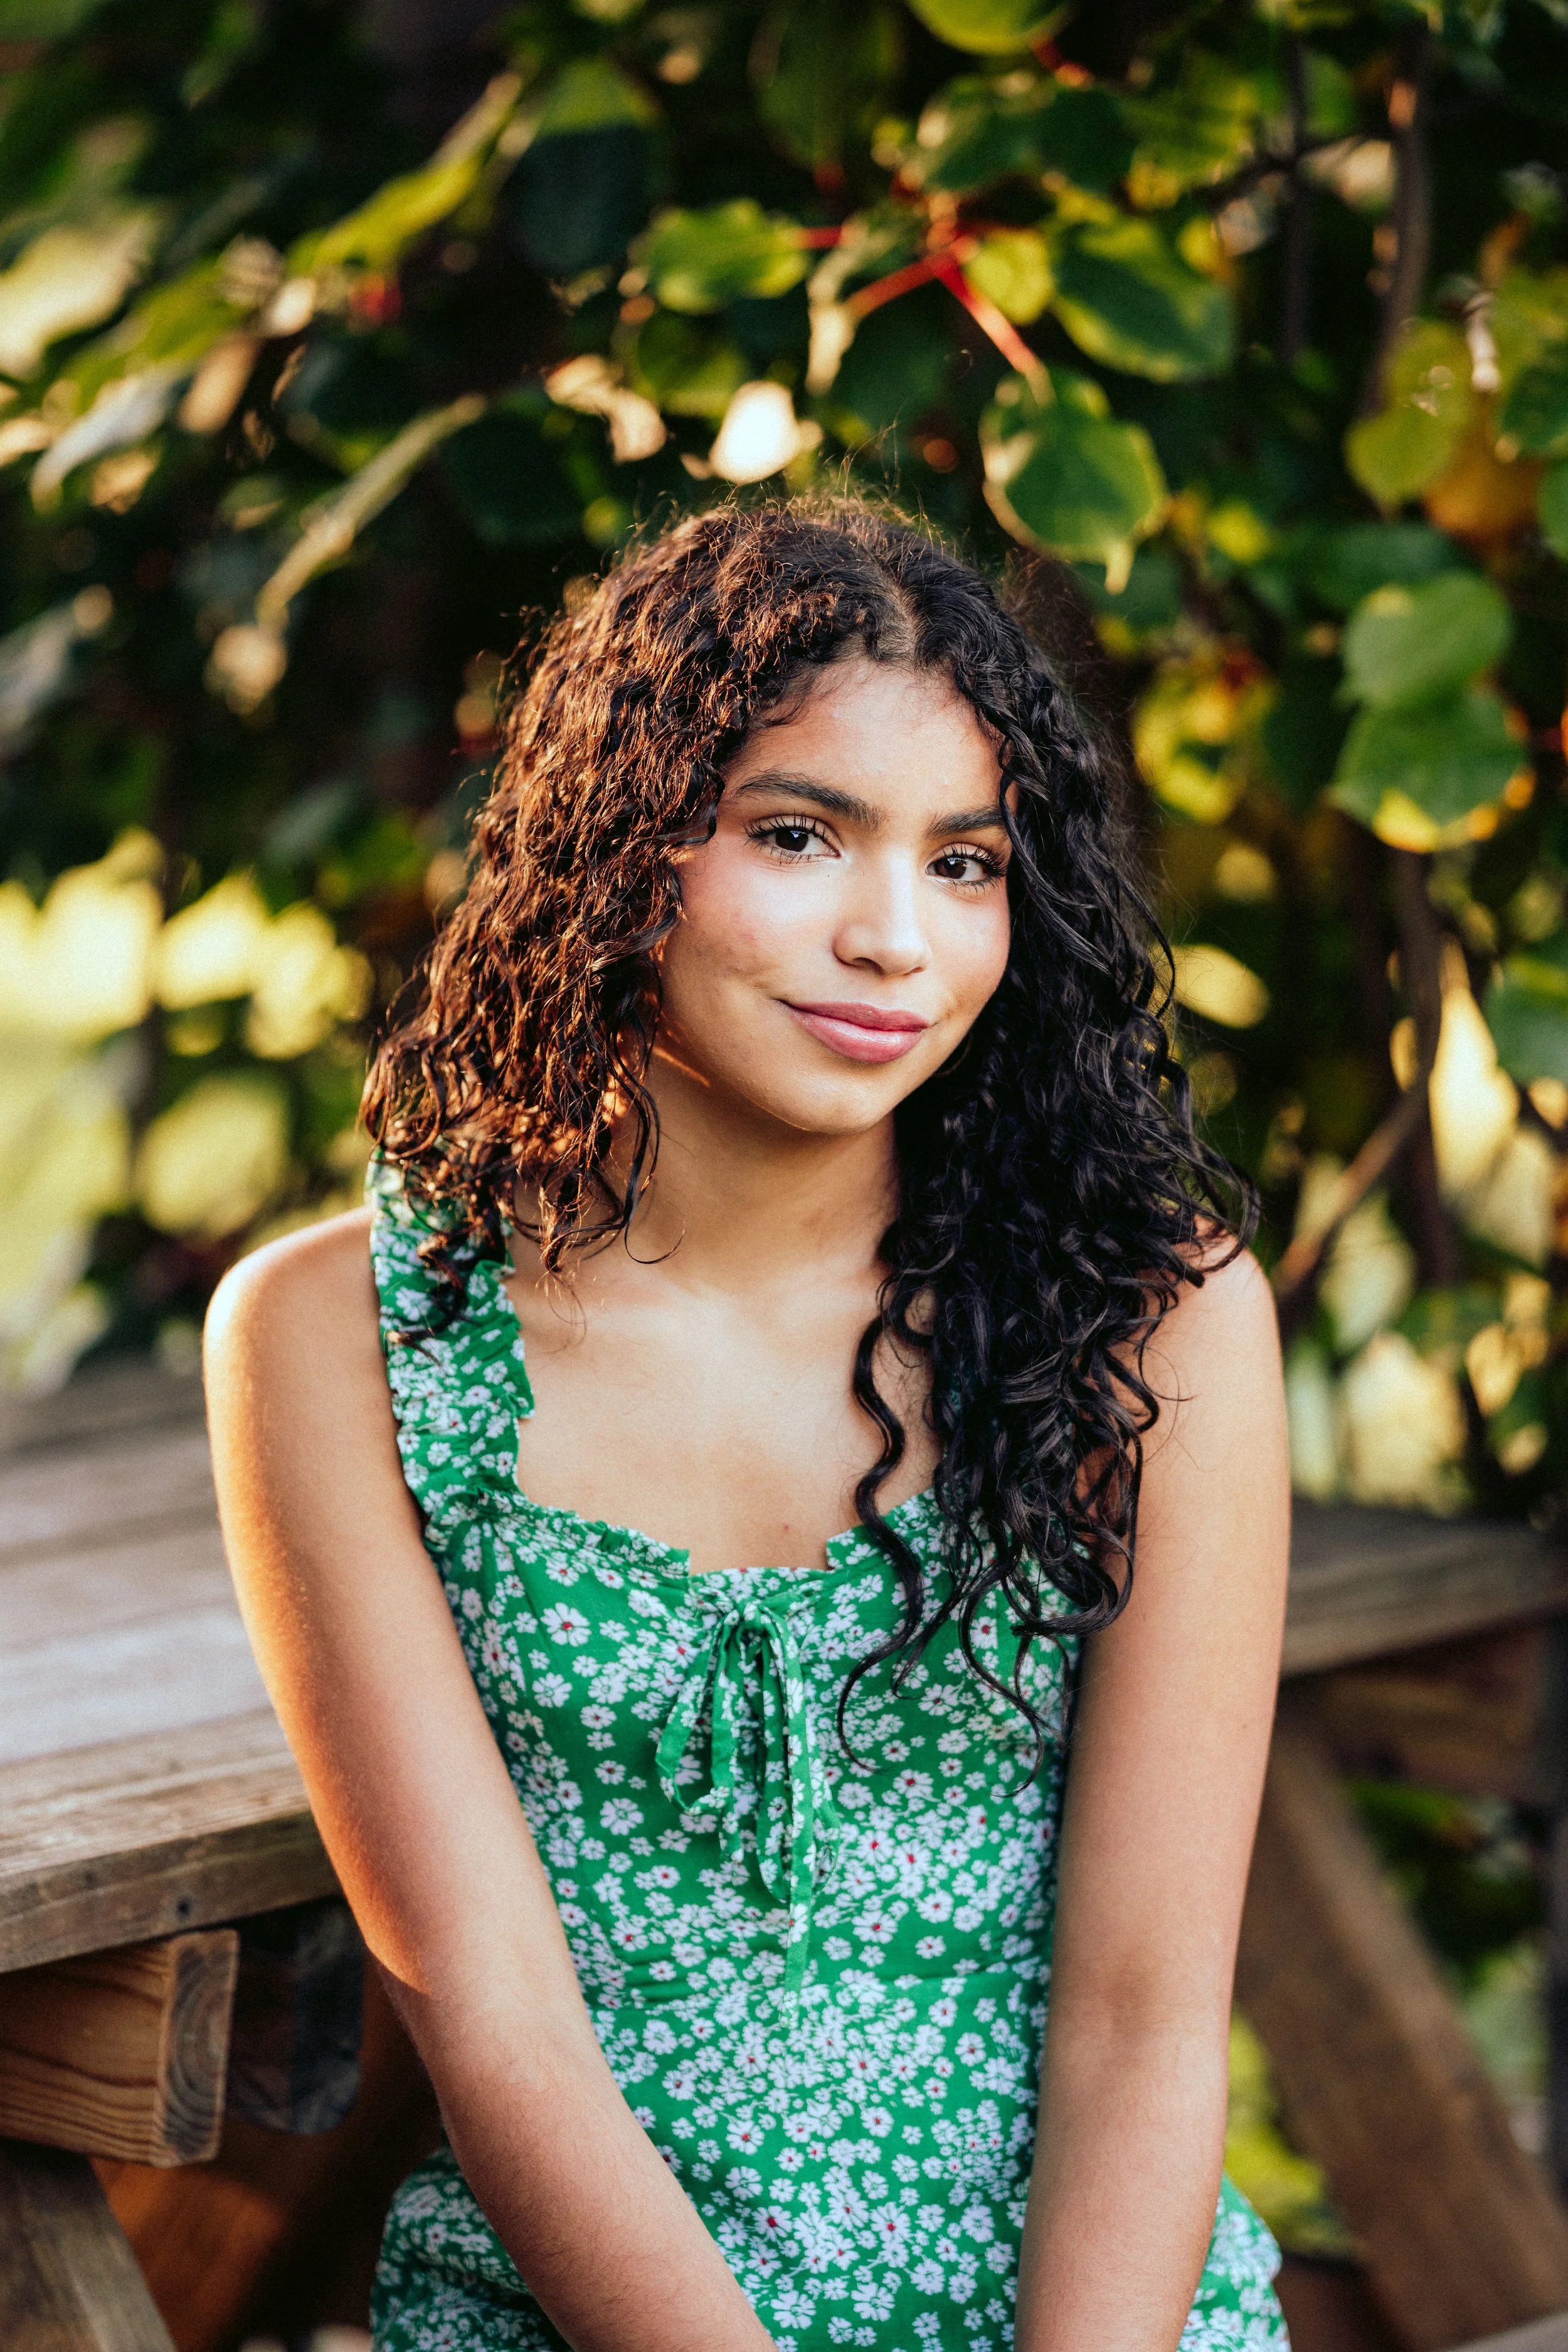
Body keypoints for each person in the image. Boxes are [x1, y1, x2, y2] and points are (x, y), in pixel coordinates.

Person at [206, 499, 1291, 2352]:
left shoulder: (1155, 1320)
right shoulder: (337, 1335)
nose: (892, 937)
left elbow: (1140, 2015)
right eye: (798, 835)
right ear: (617, 848)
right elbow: (489, 2010)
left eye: (966, 861)